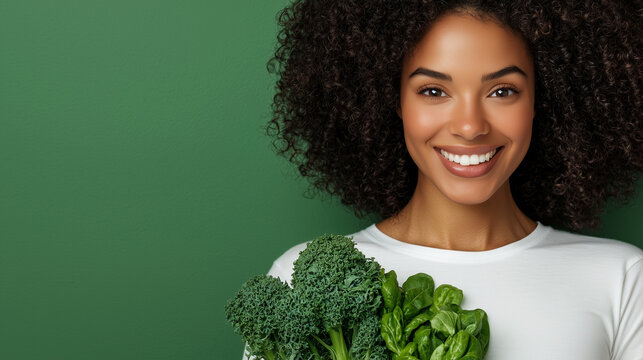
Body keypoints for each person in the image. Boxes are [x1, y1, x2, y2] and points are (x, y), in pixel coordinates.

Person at [244, 1, 642, 359]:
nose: (470, 127)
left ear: (539, 99)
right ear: (395, 100)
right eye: (433, 91)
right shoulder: (302, 280)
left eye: (503, 91)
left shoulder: (621, 279)